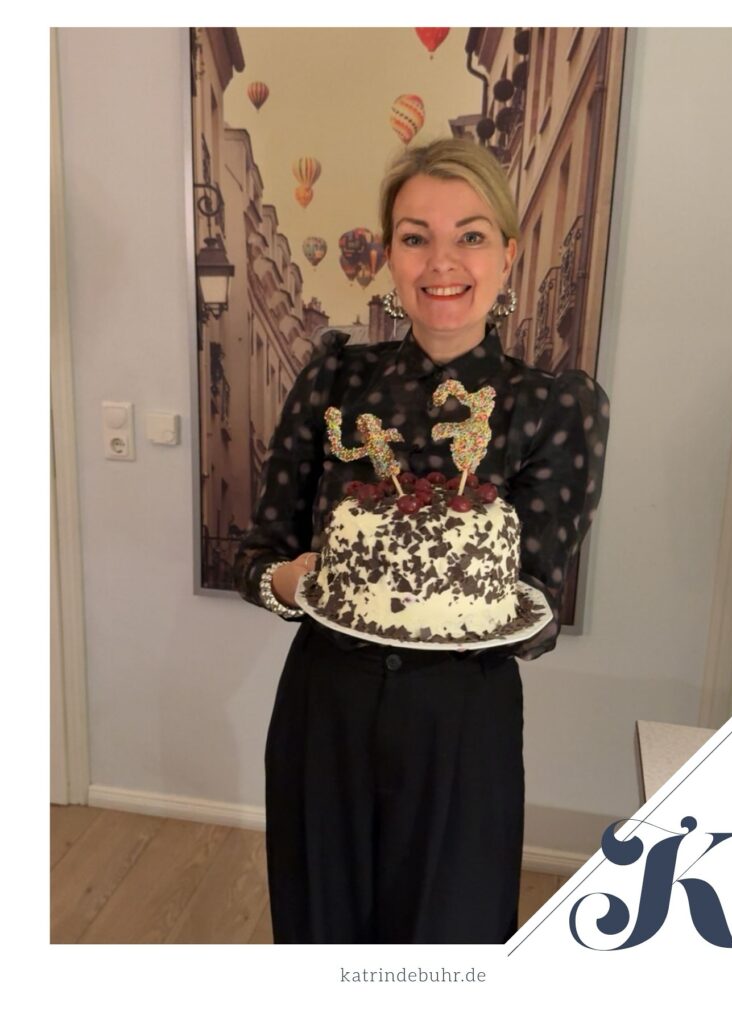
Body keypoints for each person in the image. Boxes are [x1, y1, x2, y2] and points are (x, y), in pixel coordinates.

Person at [234, 138, 609, 944]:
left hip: (460, 718)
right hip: (324, 706)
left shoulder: (552, 407)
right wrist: (292, 582)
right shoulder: (335, 381)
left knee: (449, 945)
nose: (442, 261)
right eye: (415, 237)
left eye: (470, 235)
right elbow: (259, 554)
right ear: (389, 255)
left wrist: (474, 596)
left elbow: (537, 610)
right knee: (319, 932)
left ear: (507, 255)